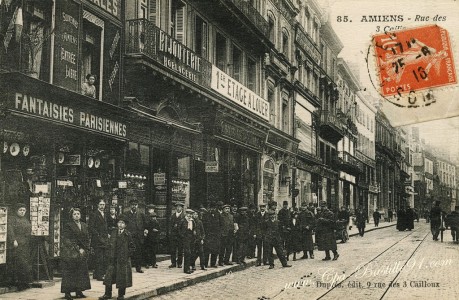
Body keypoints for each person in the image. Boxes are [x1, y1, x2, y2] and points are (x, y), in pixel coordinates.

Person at [99, 215, 135, 300]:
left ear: (125, 225)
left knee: (122, 277)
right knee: (109, 277)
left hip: (123, 260)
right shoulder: (113, 232)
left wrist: (127, 255)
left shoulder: (127, 234)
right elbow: (109, 244)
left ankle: (121, 295)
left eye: (122, 223)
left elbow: (132, 247)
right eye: (119, 222)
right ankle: (107, 294)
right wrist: (109, 253)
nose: (120, 224)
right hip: (113, 258)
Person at [61, 208, 91, 300]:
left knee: (81, 272)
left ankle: (79, 291)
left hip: (82, 252)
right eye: (74, 214)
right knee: (69, 272)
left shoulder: (84, 225)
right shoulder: (68, 225)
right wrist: (78, 249)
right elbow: (67, 239)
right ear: (71, 216)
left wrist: (85, 248)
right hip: (71, 252)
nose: (77, 215)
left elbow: (87, 238)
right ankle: (67, 293)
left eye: (78, 214)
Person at [7, 203, 33, 290]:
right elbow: (10, 230)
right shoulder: (12, 220)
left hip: (25, 244)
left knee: (25, 264)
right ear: (17, 211)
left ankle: (25, 282)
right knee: (18, 263)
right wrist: (13, 240)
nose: (22, 212)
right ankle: (17, 283)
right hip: (17, 244)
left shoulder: (26, 220)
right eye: (20, 210)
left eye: (24, 210)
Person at [122, 199, 147, 273]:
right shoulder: (126, 214)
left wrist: (145, 230)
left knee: (138, 252)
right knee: (127, 252)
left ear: (137, 206)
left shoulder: (141, 214)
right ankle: (126, 268)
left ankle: (138, 268)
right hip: (128, 236)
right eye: (132, 205)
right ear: (130, 206)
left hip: (138, 236)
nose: (134, 206)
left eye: (135, 205)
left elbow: (145, 224)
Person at [89, 198, 110, 281]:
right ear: (98, 205)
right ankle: (99, 275)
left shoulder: (104, 214)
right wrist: (97, 235)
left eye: (103, 205)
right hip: (97, 239)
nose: (102, 206)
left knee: (104, 257)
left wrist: (107, 234)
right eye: (101, 204)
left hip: (104, 239)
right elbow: (91, 227)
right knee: (99, 257)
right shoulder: (94, 214)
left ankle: (97, 273)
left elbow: (105, 226)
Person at [202, 203, 222, 268]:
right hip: (208, 235)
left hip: (216, 235)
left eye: (214, 208)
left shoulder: (218, 215)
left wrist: (219, 233)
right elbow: (203, 225)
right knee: (207, 250)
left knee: (215, 250)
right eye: (211, 208)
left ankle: (213, 264)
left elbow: (220, 224)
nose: (212, 209)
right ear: (209, 208)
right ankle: (205, 263)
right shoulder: (205, 215)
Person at [169, 202, 185, 268]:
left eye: (179, 207)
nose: (178, 208)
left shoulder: (183, 216)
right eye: (177, 207)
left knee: (180, 250)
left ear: (182, 208)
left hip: (180, 236)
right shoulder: (173, 216)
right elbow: (170, 225)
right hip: (173, 235)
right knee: (173, 250)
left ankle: (179, 263)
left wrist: (182, 234)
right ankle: (173, 263)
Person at [180, 209, 196, 274]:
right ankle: (186, 269)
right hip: (185, 239)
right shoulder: (183, 221)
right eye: (189, 214)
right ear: (186, 214)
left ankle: (188, 267)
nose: (190, 215)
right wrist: (182, 236)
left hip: (191, 239)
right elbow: (179, 229)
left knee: (191, 253)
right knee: (187, 253)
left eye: (191, 214)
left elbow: (194, 229)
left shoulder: (192, 221)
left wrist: (194, 233)